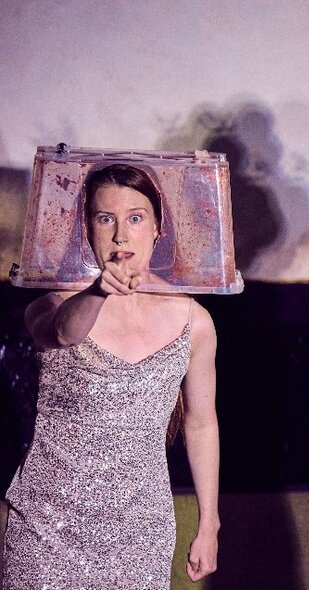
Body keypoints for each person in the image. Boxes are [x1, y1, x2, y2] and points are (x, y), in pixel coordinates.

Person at [3, 164, 220, 588]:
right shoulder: (52, 305)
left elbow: (201, 422)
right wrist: (99, 291)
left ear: (158, 228)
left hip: (140, 531)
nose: (121, 235)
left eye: (135, 218)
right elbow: (65, 332)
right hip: (47, 526)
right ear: (88, 229)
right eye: (106, 219)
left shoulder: (194, 322)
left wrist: (209, 524)